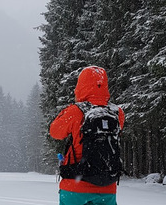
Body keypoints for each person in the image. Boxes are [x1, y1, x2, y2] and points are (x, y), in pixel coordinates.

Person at [50, 66, 125, 205]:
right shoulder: (117, 112)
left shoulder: (76, 111)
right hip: (107, 186)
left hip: (75, 185)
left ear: (81, 85)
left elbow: (55, 132)